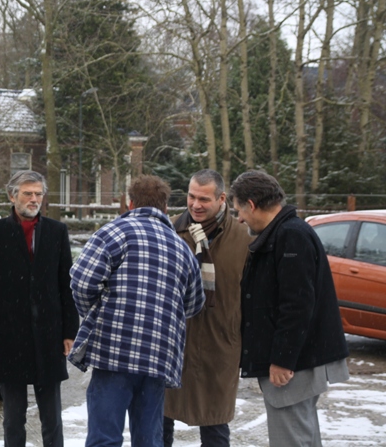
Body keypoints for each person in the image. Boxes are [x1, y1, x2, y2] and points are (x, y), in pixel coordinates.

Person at [69, 175, 204, 447]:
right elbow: (194, 304)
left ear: (130, 203)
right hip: (158, 355)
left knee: (104, 438)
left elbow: (81, 282)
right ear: (165, 207)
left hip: (113, 351)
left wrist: (96, 314)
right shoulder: (182, 247)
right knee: (148, 440)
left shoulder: (112, 233)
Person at [229, 170, 349, 446]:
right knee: (302, 436)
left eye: (239, 210)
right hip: (296, 360)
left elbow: (297, 305)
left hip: (294, 365)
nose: (239, 218)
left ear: (252, 204)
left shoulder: (290, 236)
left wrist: (283, 360)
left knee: (292, 439)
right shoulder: (283, 233)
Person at [0, 170, 79, 447]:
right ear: (12, 196)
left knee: (51, 416)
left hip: (49, 334)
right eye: (27, 194)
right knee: (13, 416)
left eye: (38, 194)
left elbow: (66, 283)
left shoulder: (57, 231)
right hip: (8, 334)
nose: (34, 199)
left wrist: (70, 330)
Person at [163, 170, 250, 447]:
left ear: (222, 199)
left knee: (215, 426)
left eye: (204, 199)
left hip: (219, 344)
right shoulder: (170, 230)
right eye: (191, 196)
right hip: (174, 345)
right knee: (161, 422)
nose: (195, 204)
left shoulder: (243, 239)